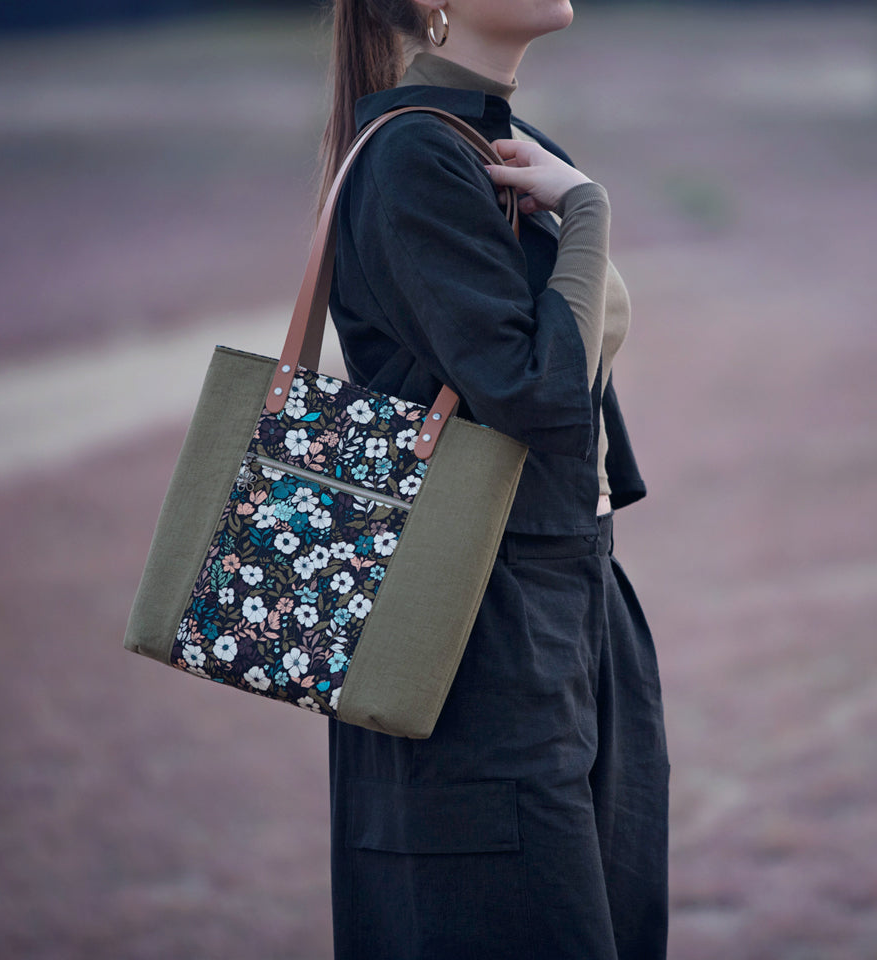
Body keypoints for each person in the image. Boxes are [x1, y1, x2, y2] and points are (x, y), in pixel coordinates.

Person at [320, 2, 669, 958]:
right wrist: (588, 211)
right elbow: (539, 397)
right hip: (475, 628)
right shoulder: (411, 159)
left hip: (575, 591)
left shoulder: (506, 148)